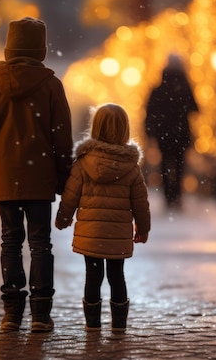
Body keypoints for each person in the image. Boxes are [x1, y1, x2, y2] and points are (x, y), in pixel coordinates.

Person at [0, 17, 73, 333]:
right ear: (40, 49)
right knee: (41, 243)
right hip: (40, 177)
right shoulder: (51, 85)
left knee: (10, 242)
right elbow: (62, 137)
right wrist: (62, 175)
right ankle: (41, 312)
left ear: (9, 47)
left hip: (6, 177)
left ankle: (11, 312)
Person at [55, 103, 151, 332]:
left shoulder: (82, 164)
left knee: (93, 276)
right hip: (117, 234)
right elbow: (140, 201)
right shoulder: (131, 167)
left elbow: (70, 196)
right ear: (125, 130)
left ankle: (93, 323)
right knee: (117, 276)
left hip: (91, 234)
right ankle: (118, 324)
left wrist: (63, 218)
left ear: (95, 128)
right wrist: (143, 227)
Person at [145, 55, 198, 208]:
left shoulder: (158, 89)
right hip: (181, 134)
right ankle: (177, 196)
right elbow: (195, 108)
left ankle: (168, 196)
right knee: (180, 165)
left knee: (164, 165)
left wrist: (150, 132)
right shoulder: (185, 88)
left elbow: (150, 112)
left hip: (164, 135)